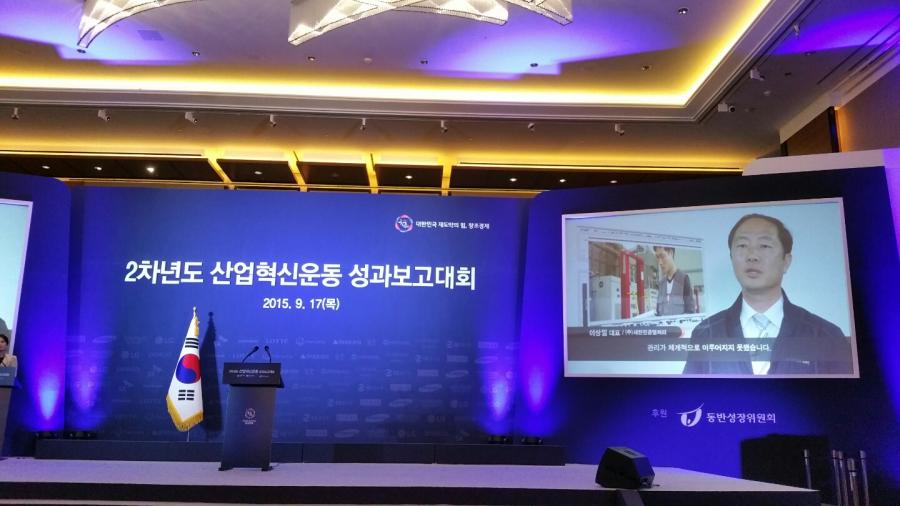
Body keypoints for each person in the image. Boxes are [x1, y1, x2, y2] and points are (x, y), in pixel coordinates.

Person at [683, 214, 852, 375]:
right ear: (731, 258)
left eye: (764, 246)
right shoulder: (706, 333)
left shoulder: (826, 335)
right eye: (742, 246)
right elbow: (690, 393)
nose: (752, 256)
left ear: (786, 261)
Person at [653, 246, 696, 316]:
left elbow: (690, 313)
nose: (660, 262)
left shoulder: (684, 279)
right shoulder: (661, 284)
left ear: (671, 253)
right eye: (657, 257)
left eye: (662, 256)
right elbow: (658, 312)